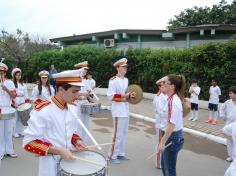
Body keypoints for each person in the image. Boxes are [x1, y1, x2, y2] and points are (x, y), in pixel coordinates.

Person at [23, 69, 87, 176]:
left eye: (78, 91)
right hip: (50, 164)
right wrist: (58, 151)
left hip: (69, 162)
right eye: (74, 92)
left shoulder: (72, 107)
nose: (77, 96)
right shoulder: (43, 110)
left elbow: (68, 130)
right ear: (61, 89)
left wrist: (76, 140)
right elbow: (28, 143)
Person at [107, 57, 135, 164]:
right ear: (118, 68)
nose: (126, 68)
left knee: (124, 133)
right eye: (124, 67)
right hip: (118, 110)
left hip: (126, 109)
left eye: (126, 67)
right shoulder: (113, 80)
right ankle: (112, 156)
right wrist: (125, 96)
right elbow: (110, 96)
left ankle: (120, 153)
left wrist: (130, 96)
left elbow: (127, 94)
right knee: (117, 134)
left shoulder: (126, 80)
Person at [157, 74, 185, 176]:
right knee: (165, 167)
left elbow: (171, 125)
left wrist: (161, 142)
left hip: (173, 137)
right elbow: (159, 82)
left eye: (165, 83)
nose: (162, 85)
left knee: (169, 170)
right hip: (171, 136)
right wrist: (167, 78)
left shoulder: (173, 101)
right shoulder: (169, 97)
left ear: (172, 86)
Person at [0, 59, 18, 160]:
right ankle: (1, 152)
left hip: (8, 109)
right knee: (0, 132)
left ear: (5, 73)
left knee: (8, 131)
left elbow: (14, 96)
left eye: (2, 73)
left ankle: (9, 150)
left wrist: (5, 89)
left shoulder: (9, 82)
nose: (0, 75)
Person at [153, 78, 167, 169]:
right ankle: (158, 162)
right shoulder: (159, 96)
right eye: (162, 85)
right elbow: (160, 111)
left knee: (164, 142)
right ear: (159, 87)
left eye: (165, 85)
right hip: (160, 123)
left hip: (165, 123)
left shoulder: (165, 95)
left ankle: (163, 161)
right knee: (160, 142)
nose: (165, 87)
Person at [12, 68, 30, 137]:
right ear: (14, 76)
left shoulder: (23, 84)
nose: (18, 76)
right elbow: (11, 94)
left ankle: (21, 131)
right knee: (15, 118)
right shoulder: (12, 84)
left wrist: (27, 101)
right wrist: (13, 102)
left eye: (19, 75)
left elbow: (26, 94)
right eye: (17, 75)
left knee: (21, 118)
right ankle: (14, 132)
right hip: (15, 103)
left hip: (22, 102)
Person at [220, 86, 236, 162]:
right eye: (229, 93)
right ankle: (231, 156)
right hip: (229, 124)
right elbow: (221, 108)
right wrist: (223, 116)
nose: (229, 95)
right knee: (229, 141)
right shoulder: (228, 102)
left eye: (231, 93)